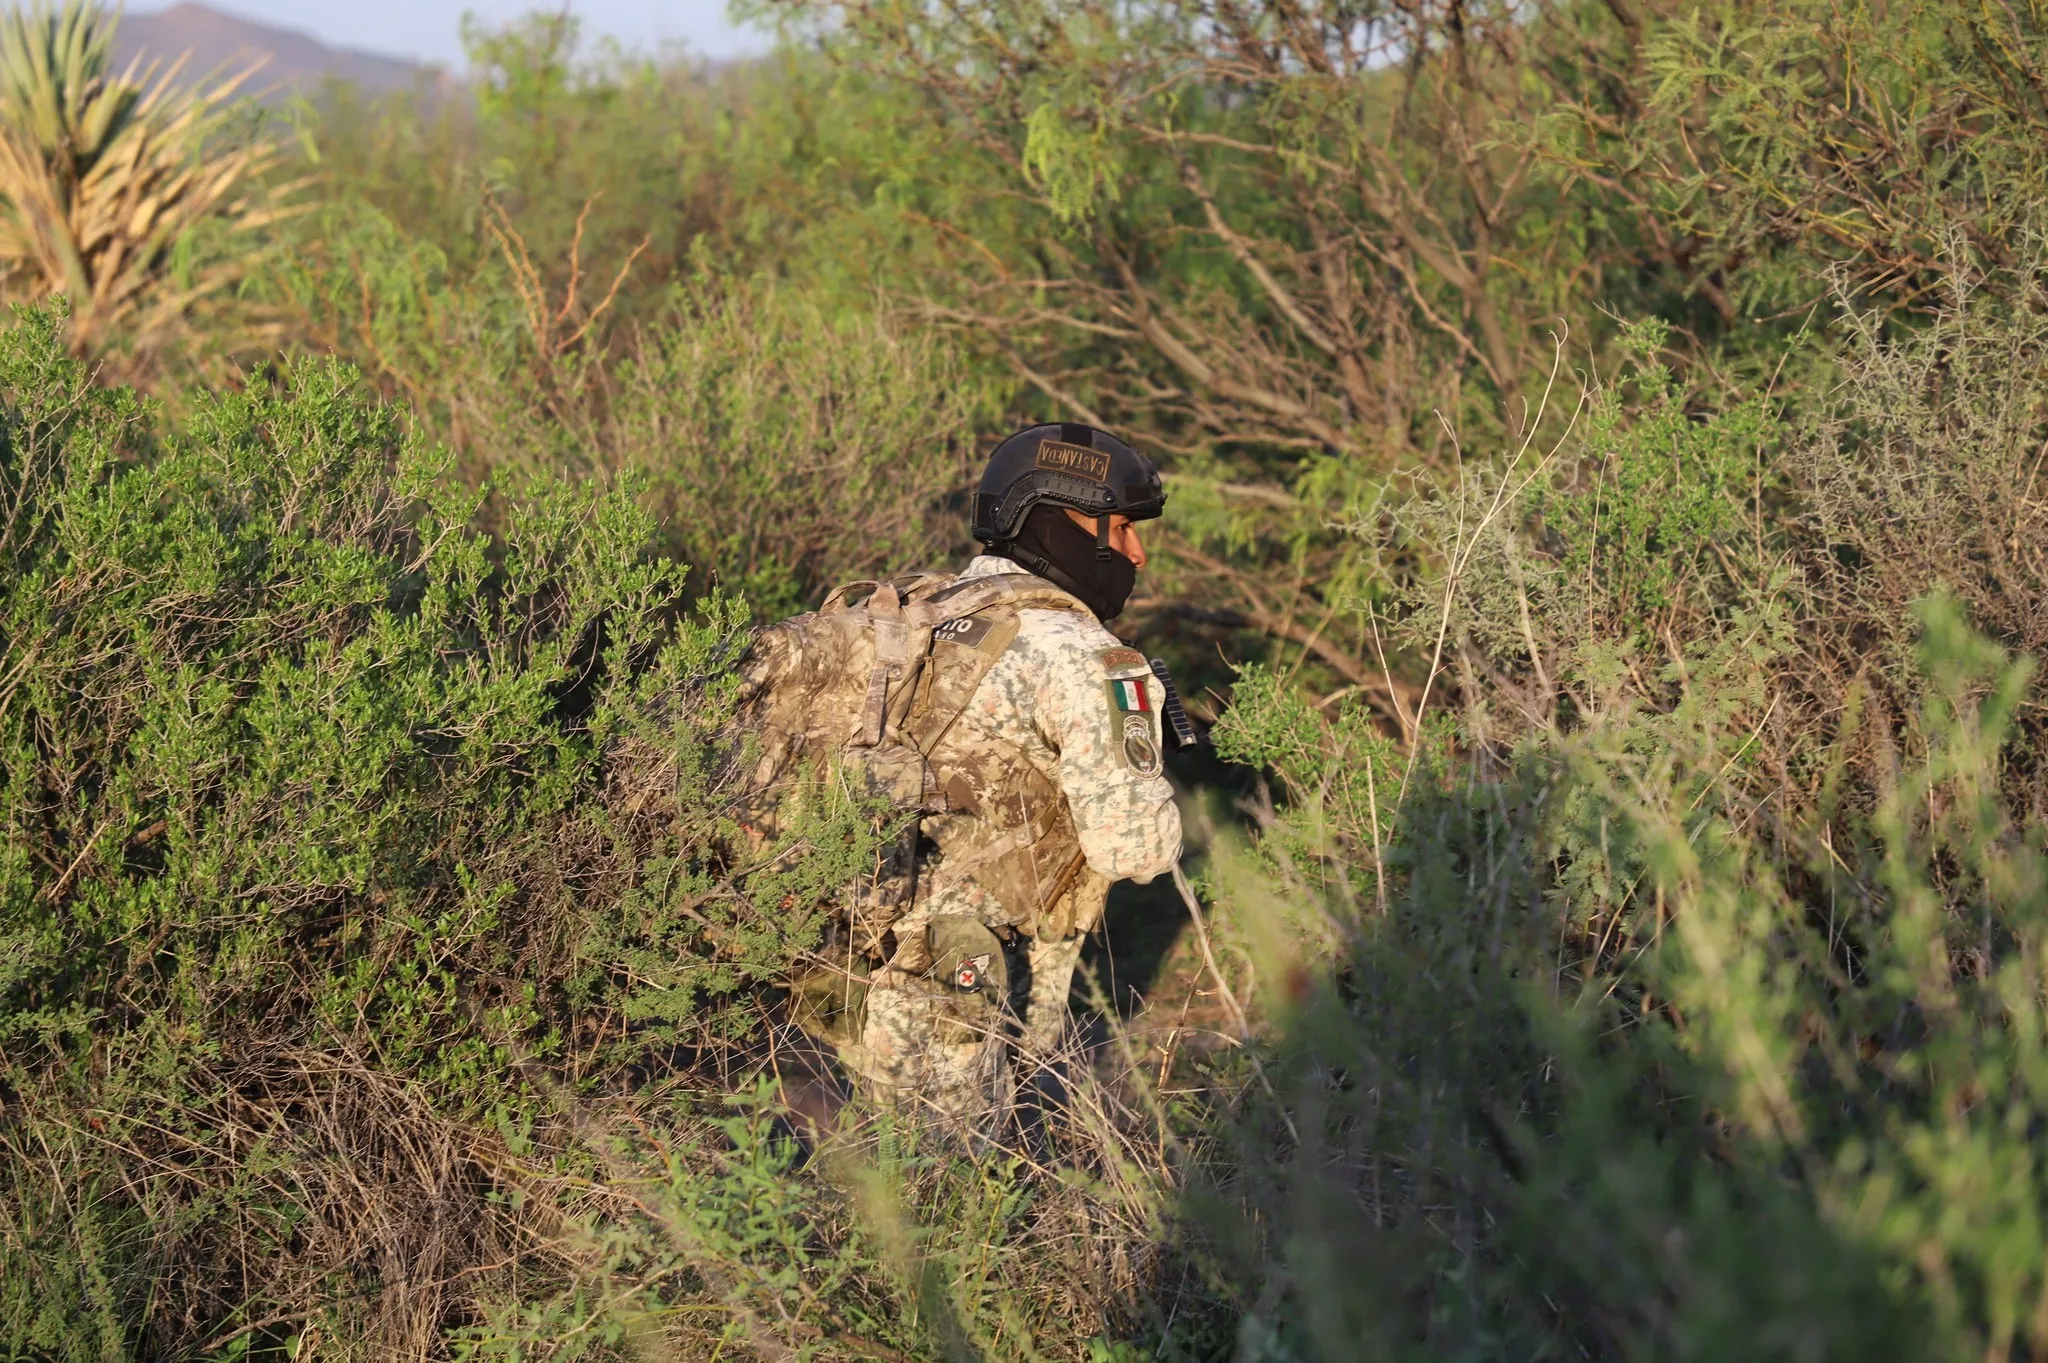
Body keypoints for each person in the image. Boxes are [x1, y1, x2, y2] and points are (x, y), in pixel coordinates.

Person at [832, 422, 1185, 1123]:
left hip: (856, 955)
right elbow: (1137, 849)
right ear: (1058, 527)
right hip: (973, 983)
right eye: (1120, 530)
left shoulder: (923, 610)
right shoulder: (1091, 658)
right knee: (956, 1206)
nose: (1137, 553)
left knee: (868, 1187)